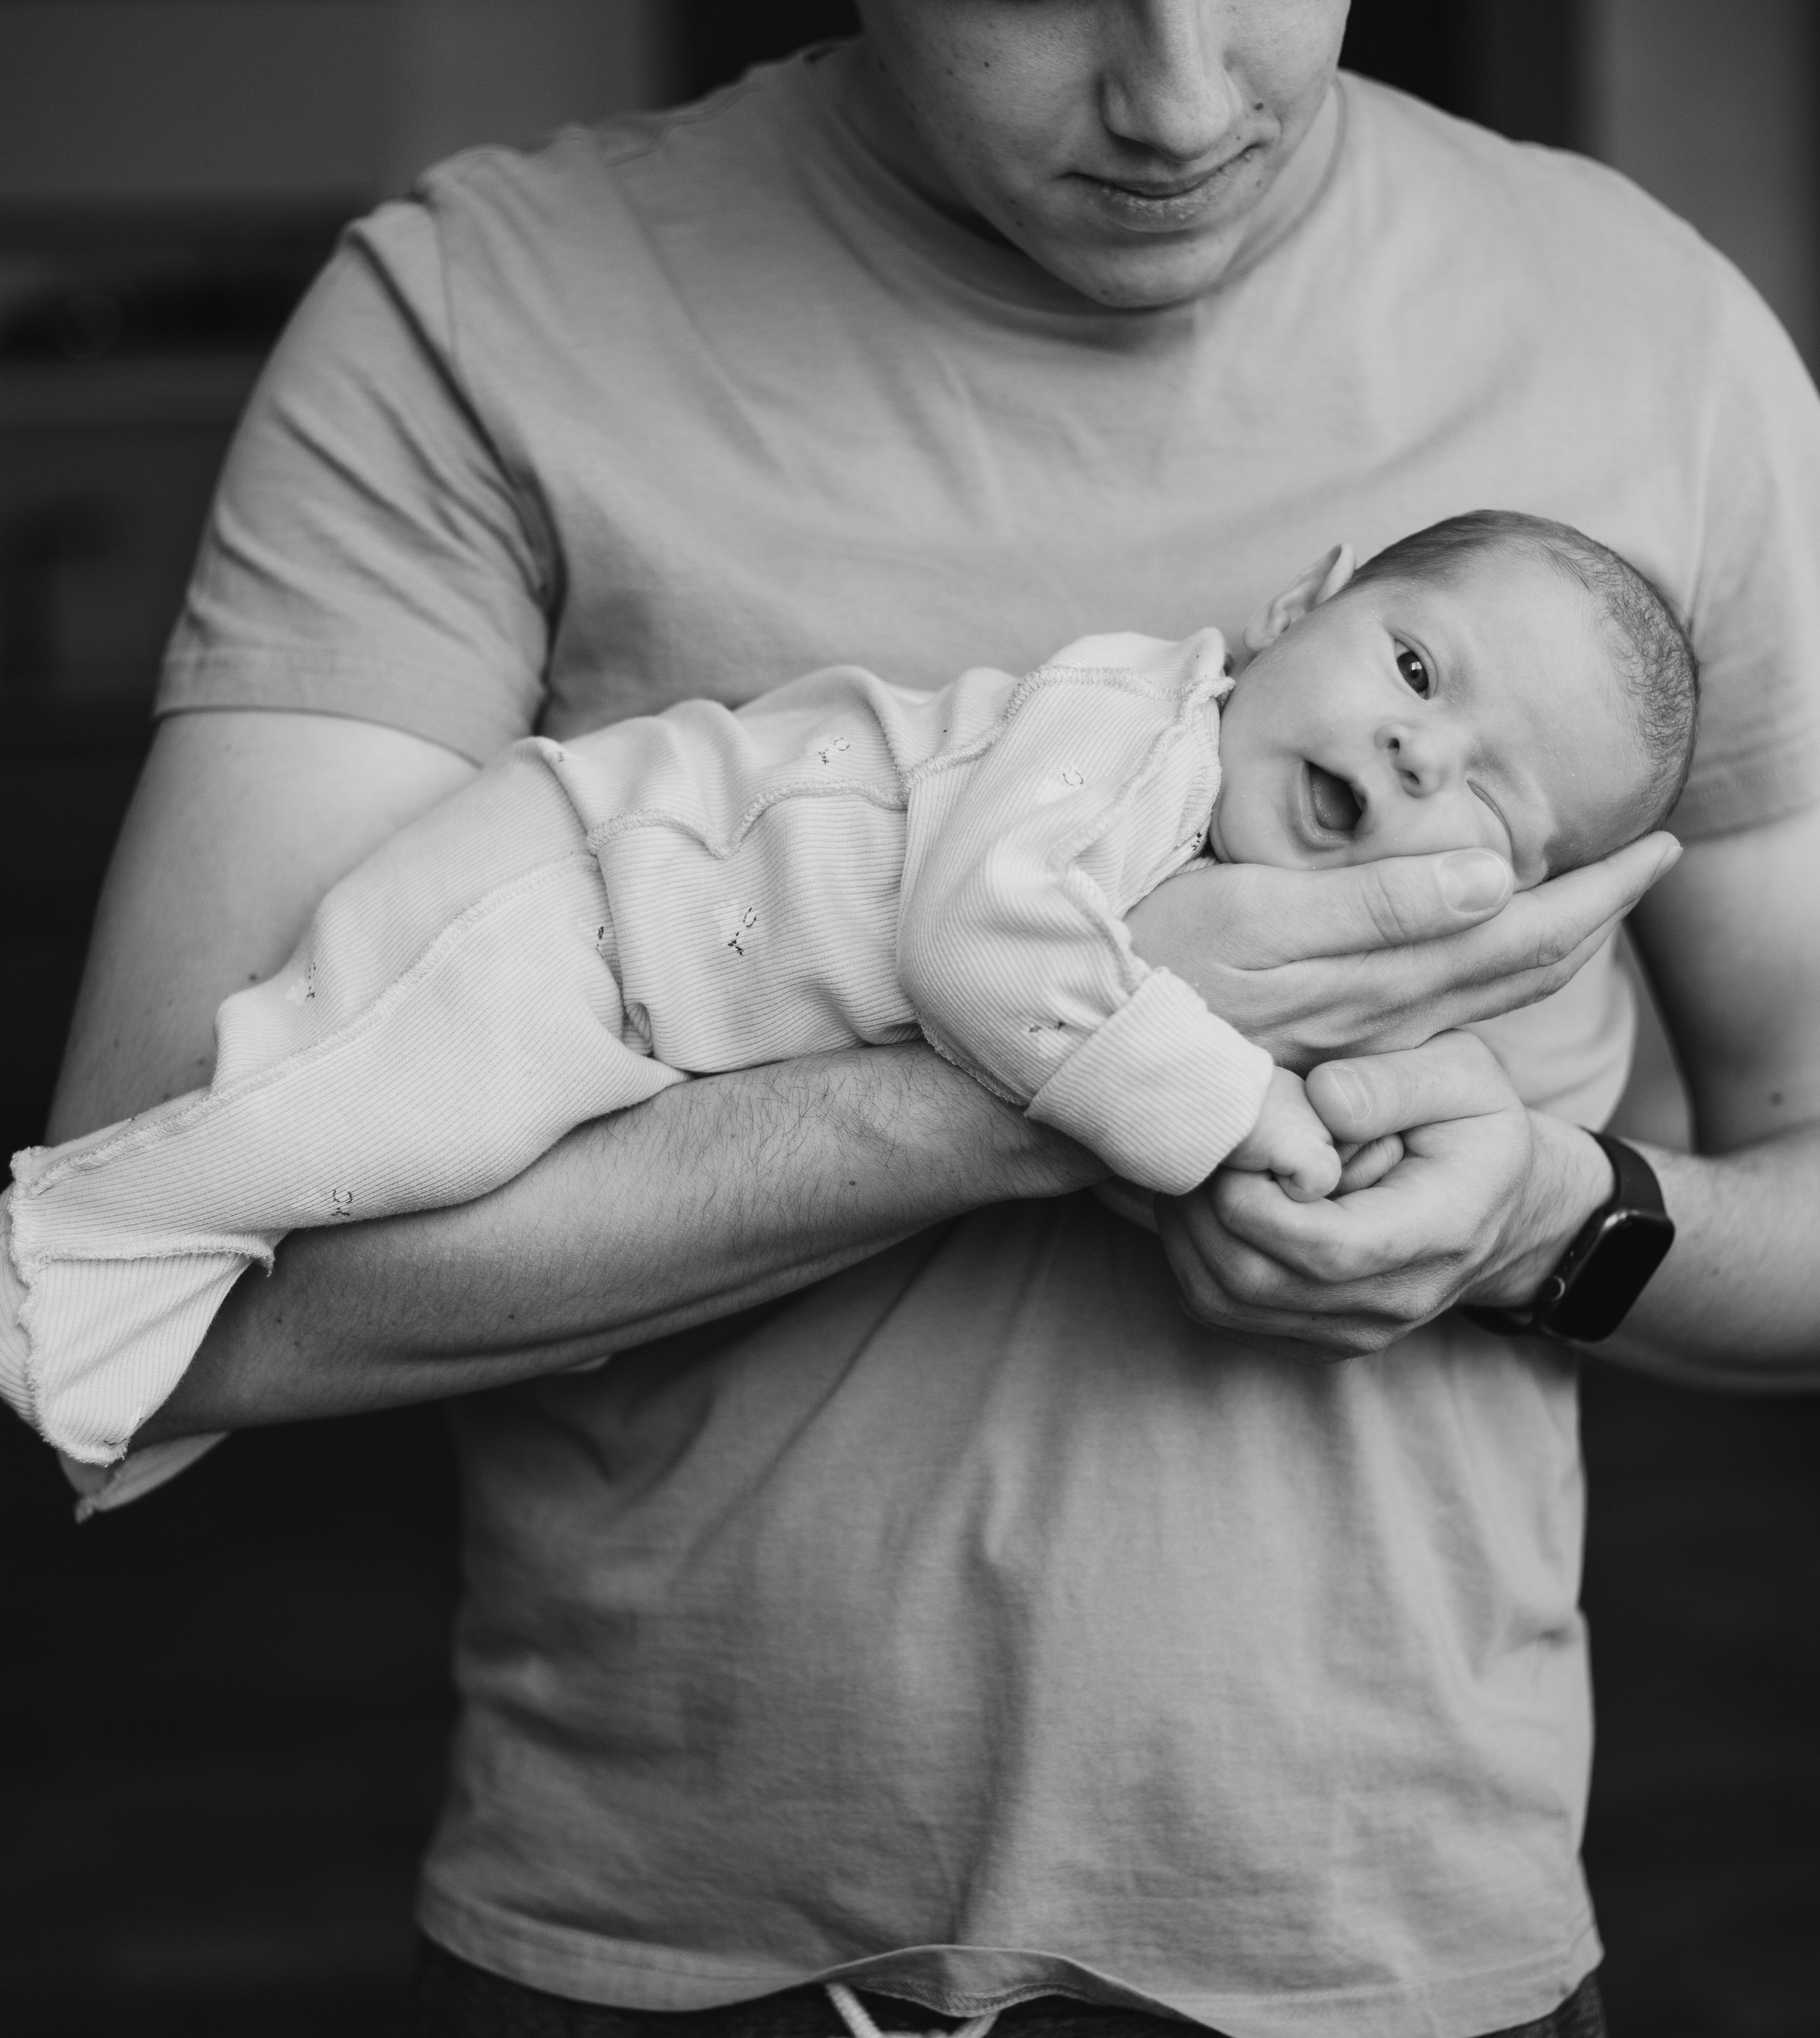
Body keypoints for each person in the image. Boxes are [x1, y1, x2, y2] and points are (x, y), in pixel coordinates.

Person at [39, 0, 1820, 2038]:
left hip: (1391, 1993)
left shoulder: (1654, 341)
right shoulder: (478, 323)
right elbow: (166, 1281)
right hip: (654, 1986)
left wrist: (1554, 1217)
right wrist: (1030, 1088)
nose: (1186, 92)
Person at [5, 506, 1697, 1480]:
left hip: (644, 997)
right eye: (1413, 664)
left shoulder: (1237, 866)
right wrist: (1230, 1100)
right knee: (323, 1123)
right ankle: (55, 1279)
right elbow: (980, 952)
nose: (1414, 748)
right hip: (574, 894)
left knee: (373, 1156)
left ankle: (92, 1319)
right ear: (1292, 610)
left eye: (1484, 796)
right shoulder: (1131, 727)